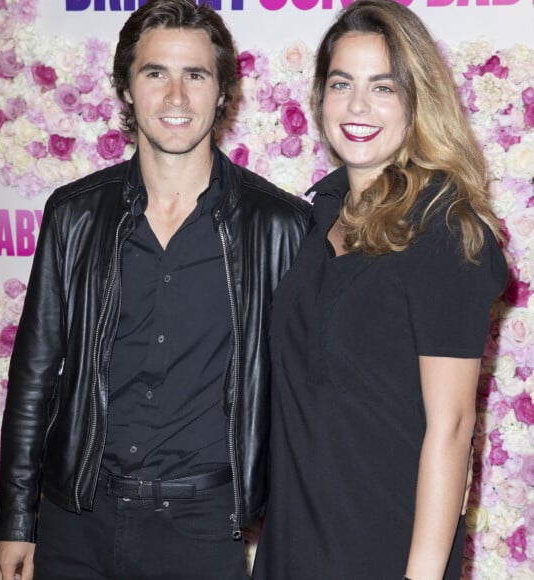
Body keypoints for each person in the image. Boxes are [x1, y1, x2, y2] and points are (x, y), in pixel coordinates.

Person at [0, 0, 310, 578]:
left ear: (222, 92)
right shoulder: (74, 214)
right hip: (76, 520)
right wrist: (16, 521)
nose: (177, 97)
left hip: (205, 525)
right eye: (155, 73)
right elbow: (35, 375)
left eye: (196, 75)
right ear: (127, 89)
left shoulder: (280, 226)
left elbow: (305, 393)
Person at [251, 1, 507, 579]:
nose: (358, 106)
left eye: (383, 87)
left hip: (386, 552)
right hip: (292, 547)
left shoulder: (446, 230)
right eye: (342, 83)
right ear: (320, 97)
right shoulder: (314, 219)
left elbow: (453, 426)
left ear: (416, 101)